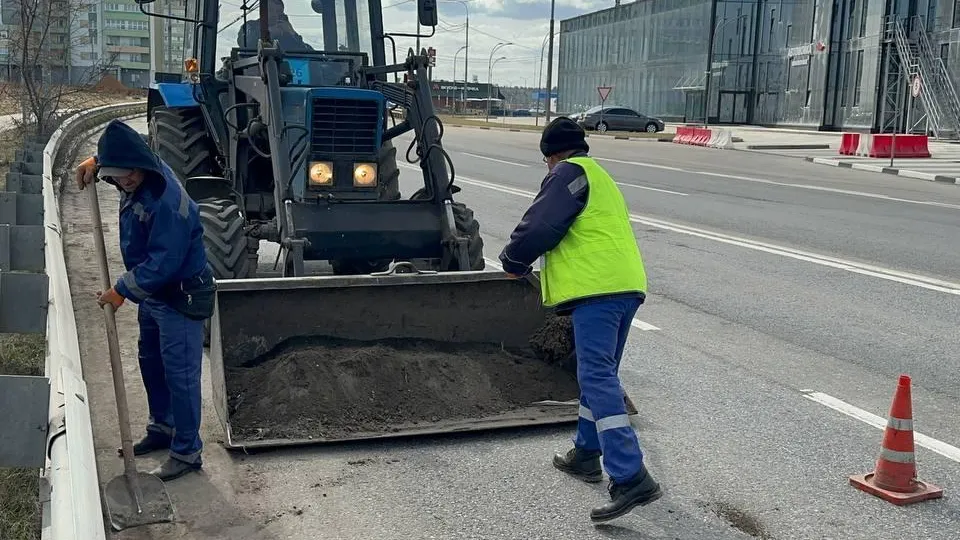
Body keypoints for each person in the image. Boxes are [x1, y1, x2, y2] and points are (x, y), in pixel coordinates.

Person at [498, 117, 662, 522]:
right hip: (626, 288)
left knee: (597, 377)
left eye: (546, 160)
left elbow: (542, 224)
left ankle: (630, 476)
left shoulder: (568, 174)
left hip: (598, 292)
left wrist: (513, 261)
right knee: (598, 373)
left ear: (552, 154)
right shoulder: (599, 174)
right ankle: (586, 453)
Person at [75, 120, 215, 481]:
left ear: (142, 166)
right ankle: (162, 428)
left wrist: (121, 291)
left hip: (181, 294)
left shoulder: (168, 203)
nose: (125, 182)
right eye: (116, 176)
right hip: (155, 295)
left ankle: (186, 452)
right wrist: (96, 162)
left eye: (129, 176)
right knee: (151, 362)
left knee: (180, 375)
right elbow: (121, 160)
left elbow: (163, 262)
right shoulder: (135, 166)